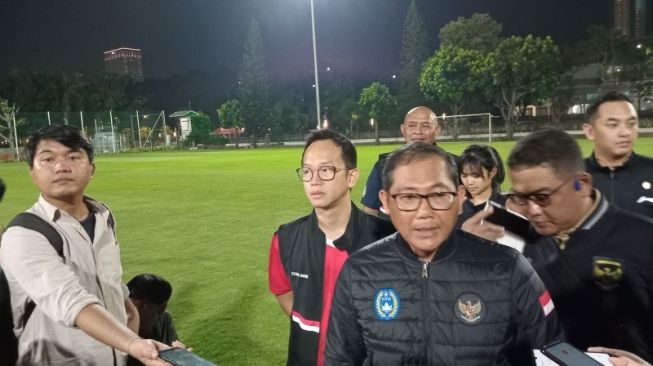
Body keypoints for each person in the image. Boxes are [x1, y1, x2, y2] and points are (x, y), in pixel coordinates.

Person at [326, 142, 561, 365]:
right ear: (385, 202)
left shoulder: (509, 267)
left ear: (459, 198)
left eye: (439, 195)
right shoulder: (359, 271)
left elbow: (553, 352)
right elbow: (340, 359)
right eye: (408, 197)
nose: (424, 212)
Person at [0, 125, 169, 365]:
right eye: (48, 159)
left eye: (73, 157)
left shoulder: (103, 216)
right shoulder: (23, 235)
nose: (61, 166)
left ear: (91, 169)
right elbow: (72, 302)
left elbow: (109, 280)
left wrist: (128, 315)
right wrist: (133, 343)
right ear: (32, 173)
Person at [506, 129, 653, 362]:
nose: (532, 210)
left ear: (581, 184)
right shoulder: (515, 238)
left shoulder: (643, 238)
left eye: (543, 197)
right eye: (521, 198)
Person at [268, 129, 395, 366]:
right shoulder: (285, 239)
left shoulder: (387, 239)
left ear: (351, 177)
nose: (314, 180)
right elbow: (283, 290)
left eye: (326, 170)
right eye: (307, 171)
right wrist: (315, 320)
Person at [583, 91, 653, 218]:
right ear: (590, 131)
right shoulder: (572, 176)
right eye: (613, 125)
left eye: (631, 124)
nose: (625, 132)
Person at [360, 106, 441, 216]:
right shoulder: (384, 166)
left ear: (437, 131)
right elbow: (369, 212)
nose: (418, 131)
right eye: (412, 126)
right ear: (403, 129)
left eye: (425, 126)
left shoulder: (453, 166)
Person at [127, 274, 186, 366]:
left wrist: (180, 356)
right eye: (131, 304)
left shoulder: (164, 319)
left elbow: (173, 349)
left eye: (144, 306)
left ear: (162, 307)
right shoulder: (115, 326)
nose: (136, 311)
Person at [457, 144, 506, 224]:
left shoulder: (506, 207)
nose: (469, 182)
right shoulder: (457, 207)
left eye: (476, 176)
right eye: (464, 176)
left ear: (493, 172)